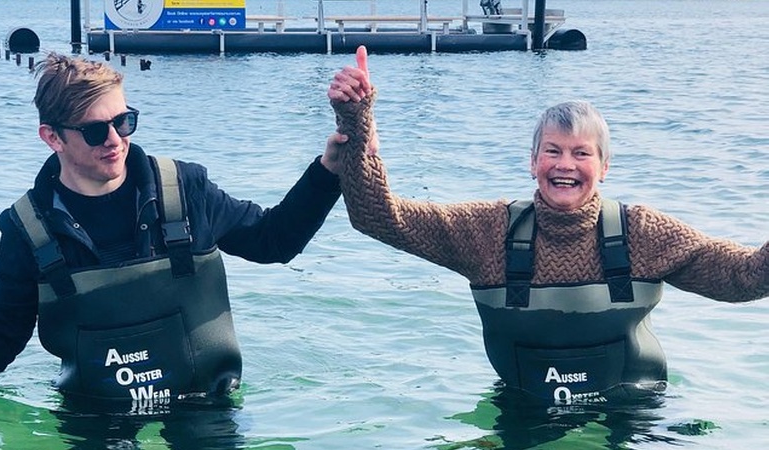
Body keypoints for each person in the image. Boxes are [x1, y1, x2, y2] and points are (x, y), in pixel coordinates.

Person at [326, 47, 769, 405]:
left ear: (605, 165)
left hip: (635, 414)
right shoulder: (486, 231)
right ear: (533, 161)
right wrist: (356, 119)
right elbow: (379, 218)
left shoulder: (644, 233)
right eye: (553, 151)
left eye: (581, 153)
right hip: (523, 412)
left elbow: (744, 276)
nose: (565, 165)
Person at [0, 52, 345, 413]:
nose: (115, 140)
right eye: (94, 130)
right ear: (52, 138)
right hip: (95, 419)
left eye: (124, 122)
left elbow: (275, 241)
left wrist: (328, 172)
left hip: (204, 408)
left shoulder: (185, 190)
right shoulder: (26, 227)